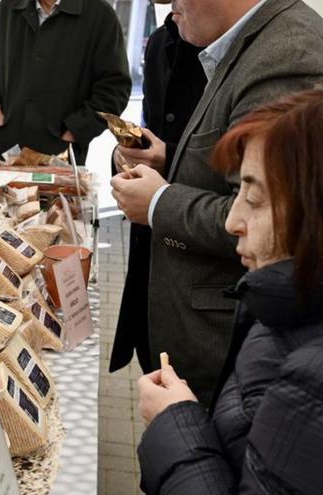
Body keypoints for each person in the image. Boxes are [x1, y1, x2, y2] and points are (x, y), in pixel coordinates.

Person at [110, 0, 323, 407]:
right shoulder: (253, 41)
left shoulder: (289, 52)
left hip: (220, 344)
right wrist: (168, 157)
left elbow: (272, 223)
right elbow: (240, 174)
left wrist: (158, 203)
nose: (165, 3)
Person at [136, 86, 323, 495]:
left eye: (254, 197)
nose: (232, 220)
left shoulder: (312, 382)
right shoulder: (280, 307)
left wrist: (176, 422)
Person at [109, 2, 206, 374]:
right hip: (151, 284)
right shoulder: (163, 40)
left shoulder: (279, 49)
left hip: (207, 311)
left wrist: (168, 168)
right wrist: (129, 158)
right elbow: (153, 136)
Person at [0, 0, 131, 164]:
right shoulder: (7, 8)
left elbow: (114, 89)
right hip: (1, 150)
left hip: (58, 157)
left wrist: (74, 130)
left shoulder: (99, 15)